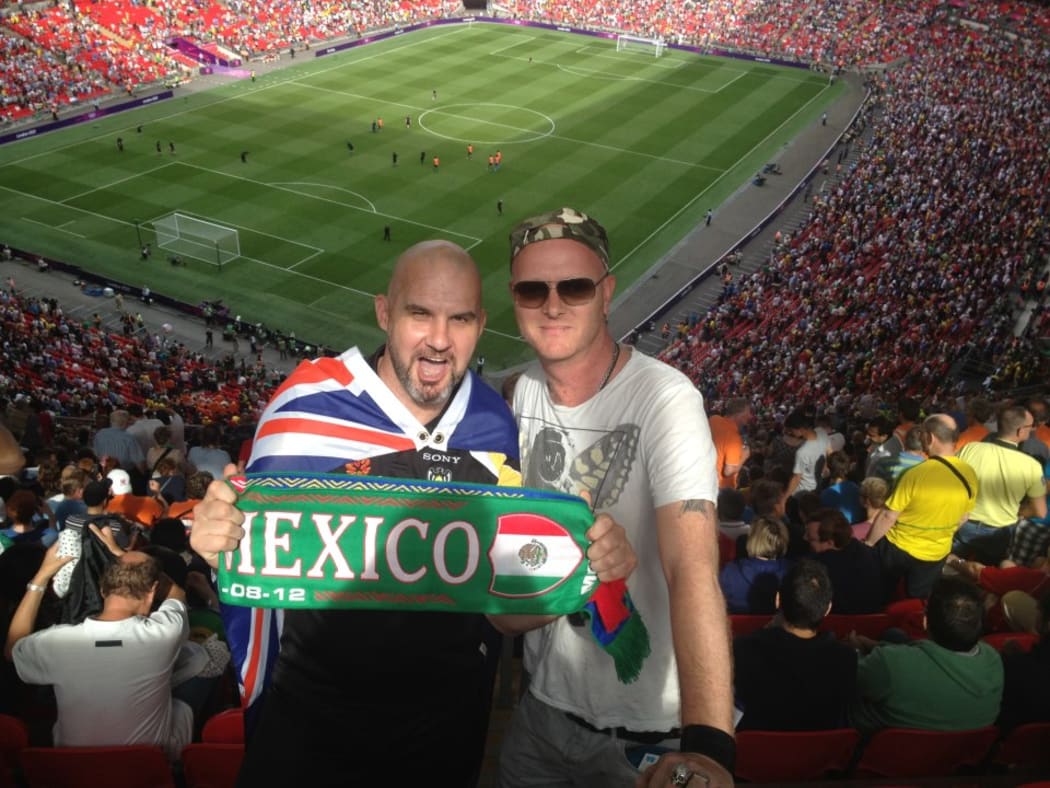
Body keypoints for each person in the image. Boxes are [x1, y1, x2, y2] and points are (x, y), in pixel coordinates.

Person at [189, 239, 636, 786]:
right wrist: (218, 542)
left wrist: (581, 569)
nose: (440, 340)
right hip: (314, 719)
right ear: (384, 312)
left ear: (481, 323)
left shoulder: (494, 424)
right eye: (419, 314)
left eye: (461, 319)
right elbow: (252, 563)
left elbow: (499, 605)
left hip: (445, 727)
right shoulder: (305, 405)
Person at [498, 208, 734, 788]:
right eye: (534, 289)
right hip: (543, 709)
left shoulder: (664, 398)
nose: (553, 304)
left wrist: (710, 746)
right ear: (515, 299)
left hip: (646, 734)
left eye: (573, 286)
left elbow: (693, 570)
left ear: (606, 293)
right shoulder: (520, 394)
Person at [5, 541, 194, 761]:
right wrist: (126, 557)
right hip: (142, 769)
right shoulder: (165, 633)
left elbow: (12, 648)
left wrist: (41, 578)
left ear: (103, 590)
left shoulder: (57, 642)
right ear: (152, 591)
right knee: (182, 707)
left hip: (73, 769)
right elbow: (176, 594)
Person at [848, 576, 1003, 735]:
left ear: (925, 621)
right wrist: (877, 647)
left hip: (881, 747)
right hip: (958, 755)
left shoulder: (890, 664)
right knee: (895, 635)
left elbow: (853, 680)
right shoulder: (993, 659)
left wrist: (855, 652)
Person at [733, 559, 857, 730]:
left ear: (778, 600)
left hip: (757, 754)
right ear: (827, 609)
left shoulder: (743, 651)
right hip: (822, 755)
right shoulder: (846, 659)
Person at [865, 414, 976, 600]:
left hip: (898, 548)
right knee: (916, 600)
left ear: (930, 438)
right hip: (936, 553)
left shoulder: (915, 474)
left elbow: (888, 516)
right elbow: (964, 516)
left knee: (883, 593)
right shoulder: (969, 473)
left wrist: (868, 544)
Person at [955, 405, 1047, 565]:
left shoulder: (970, 449)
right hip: (998, 533)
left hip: (962, 523)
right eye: (1030, 427)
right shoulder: (1032, 465)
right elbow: (1040, 511)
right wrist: (1018, 510)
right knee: (985, 579)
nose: (1032, 430)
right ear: (1020, 431)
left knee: (948, 569)